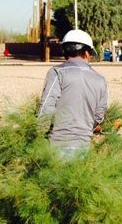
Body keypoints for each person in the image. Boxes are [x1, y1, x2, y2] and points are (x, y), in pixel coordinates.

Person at [37, 29, 109, 157]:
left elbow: (46, 107)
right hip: (83, 145)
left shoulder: (57, 73)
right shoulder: (100, 80)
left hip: (57, 144)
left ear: (64, 51)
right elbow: (99, 115)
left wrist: (38, 135)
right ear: (87, 53)